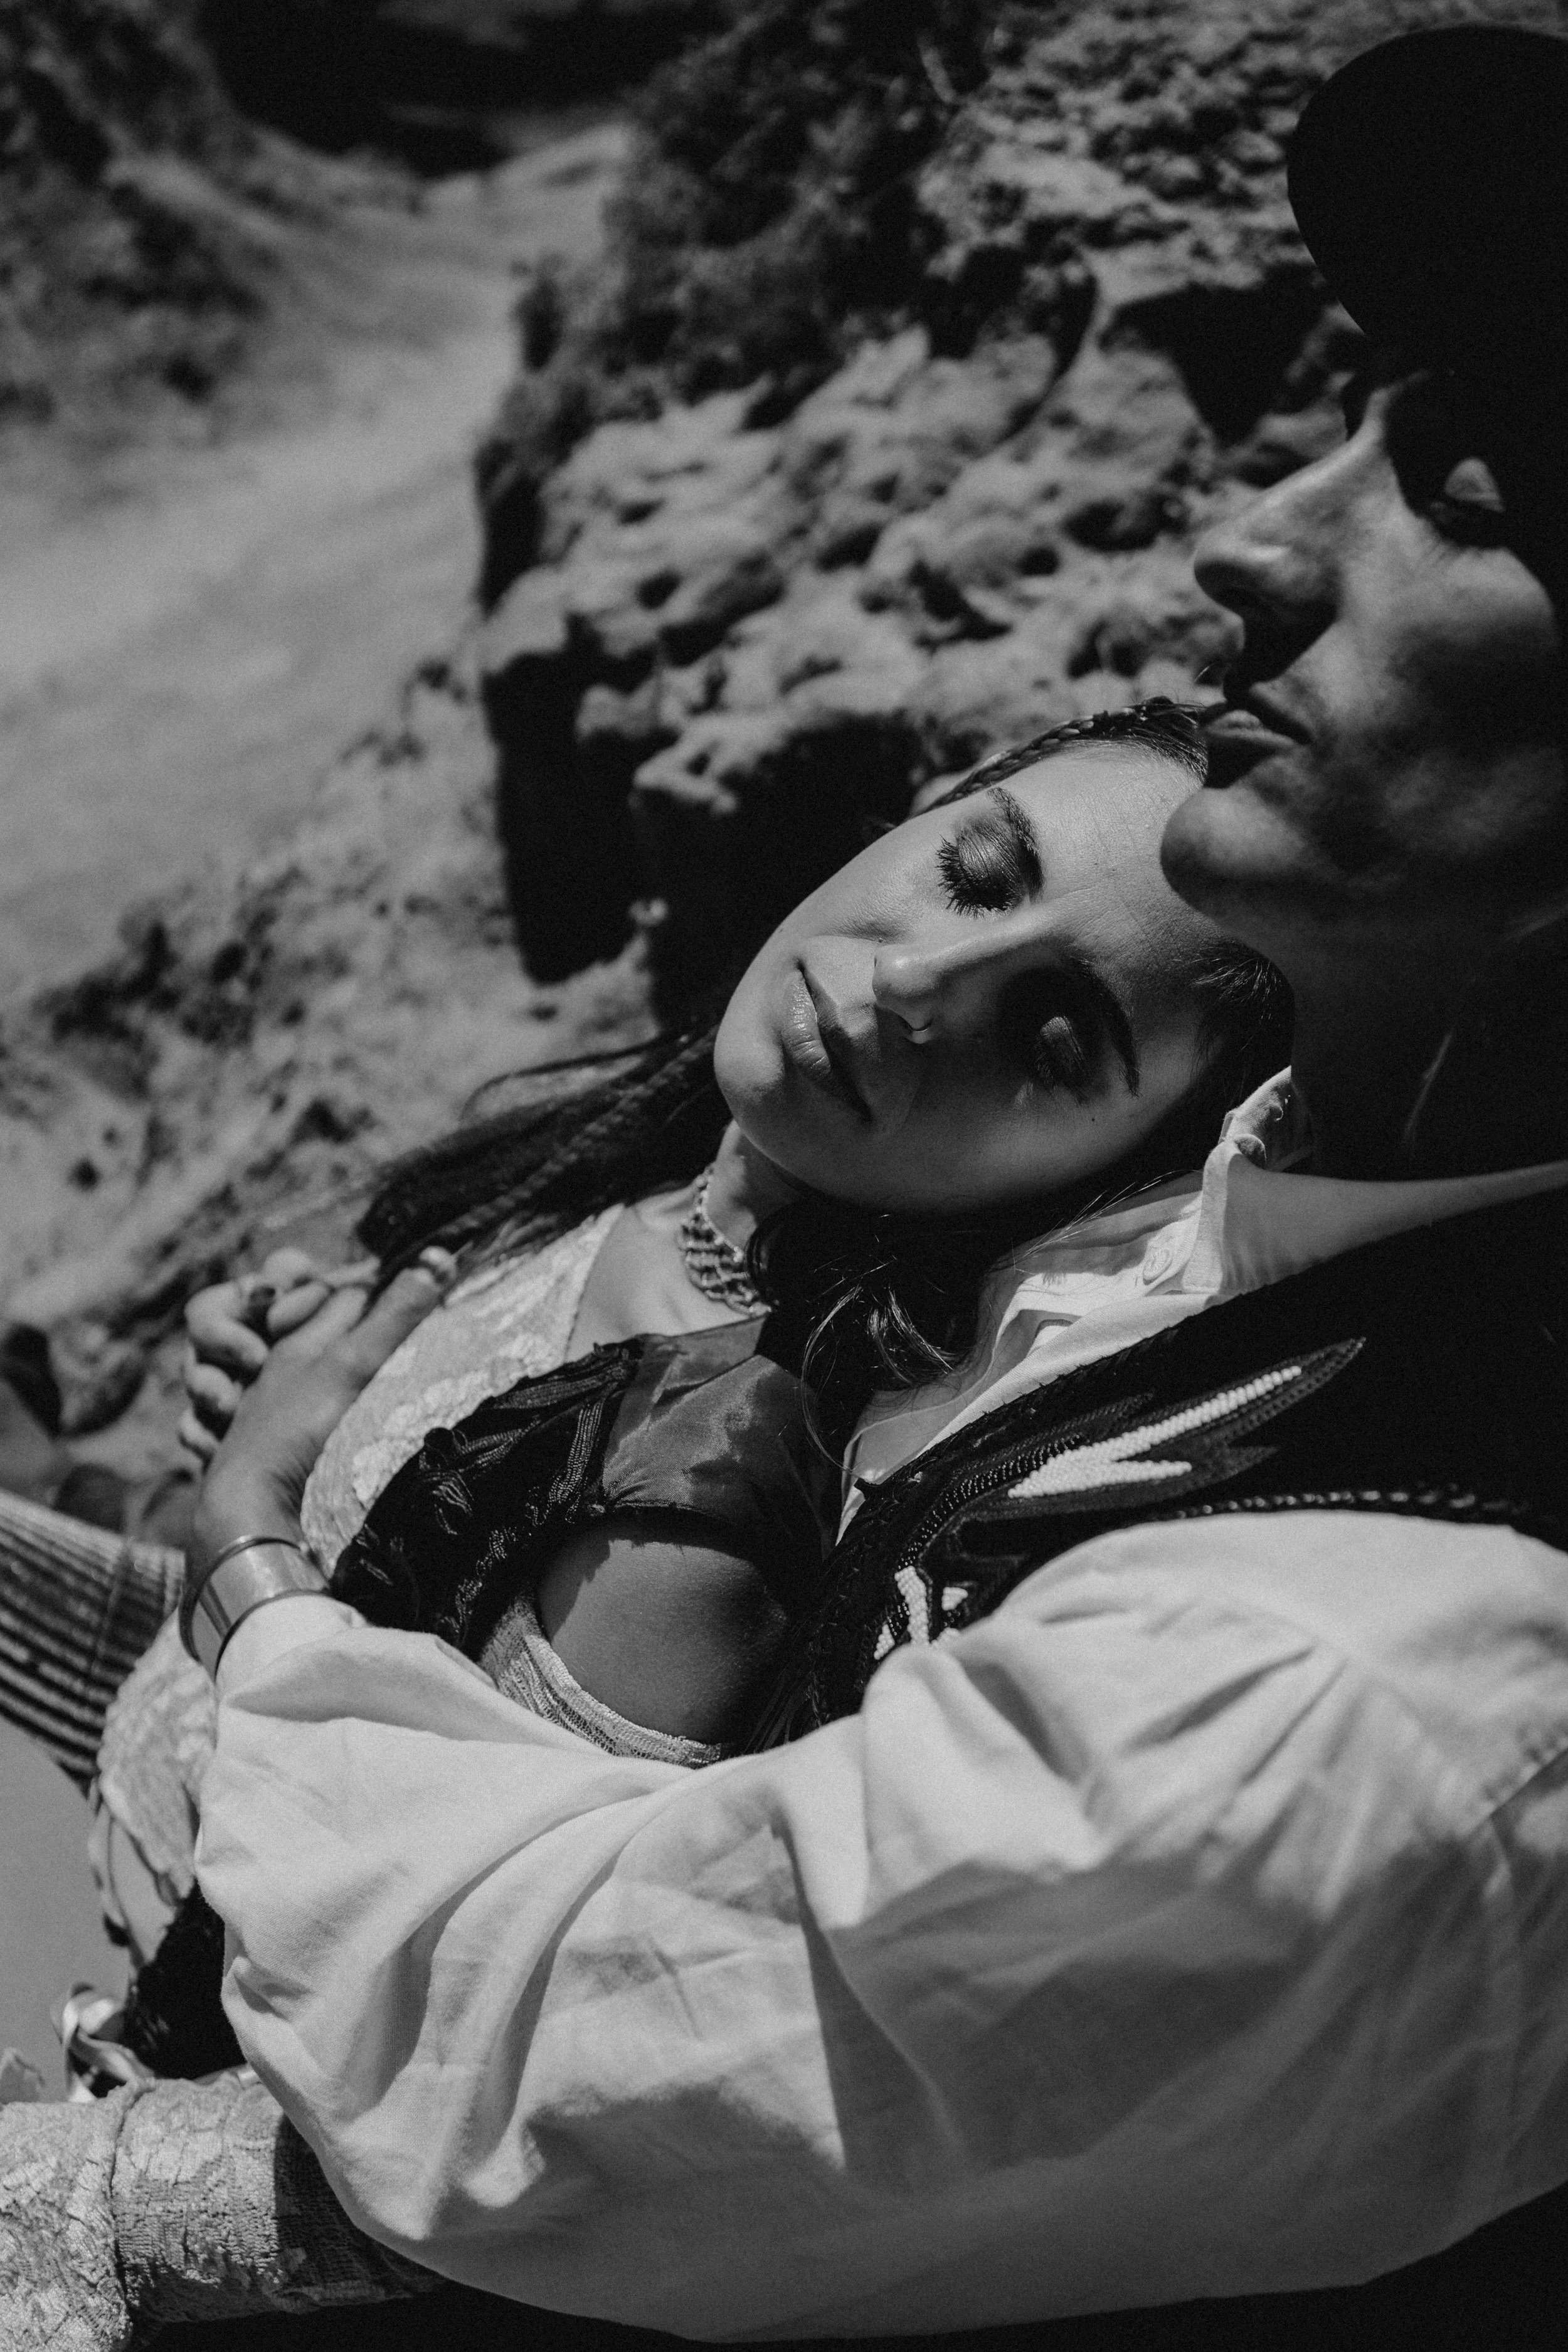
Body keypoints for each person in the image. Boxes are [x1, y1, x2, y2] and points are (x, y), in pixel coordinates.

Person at [114, 23, 1568, 2343]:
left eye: (1473, 496)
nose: (1246, 539)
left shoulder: (1347, 1705)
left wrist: (263, 1566)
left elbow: (514, 2064)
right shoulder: (1275, 1178)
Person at [0, 710, 1287, 2328]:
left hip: (137, 2006)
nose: (913, 981)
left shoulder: (709, 1478)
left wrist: (252, 1512)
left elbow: (431, 2014)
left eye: (1046, 1043)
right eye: (975, 869)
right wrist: (320, 1356)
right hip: (119, 1779)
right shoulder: (670, 1156)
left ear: (1118, 1180)